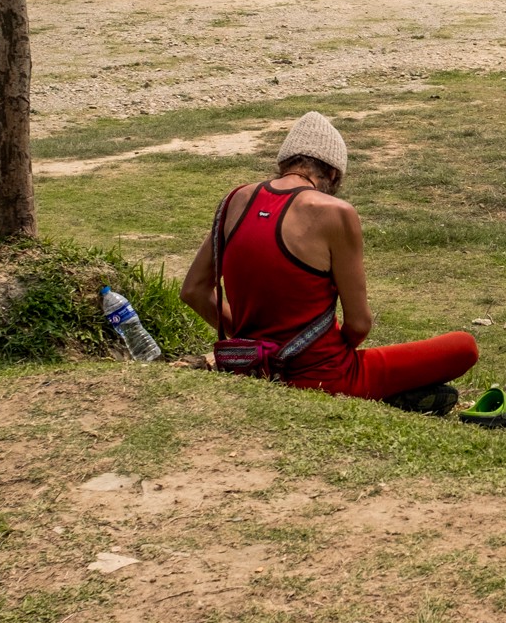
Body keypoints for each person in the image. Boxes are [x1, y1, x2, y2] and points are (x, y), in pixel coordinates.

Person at [180, 111, 479, 412]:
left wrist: (256, 346)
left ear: (283, 165)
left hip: (254, 365)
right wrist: (319, 354)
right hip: (325, 376)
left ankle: (391, 392)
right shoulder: (336, 212)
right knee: (464, 346)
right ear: (333, 174)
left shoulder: (235, 200)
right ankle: (384, 393)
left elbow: (193, 290)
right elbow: (359, 324)